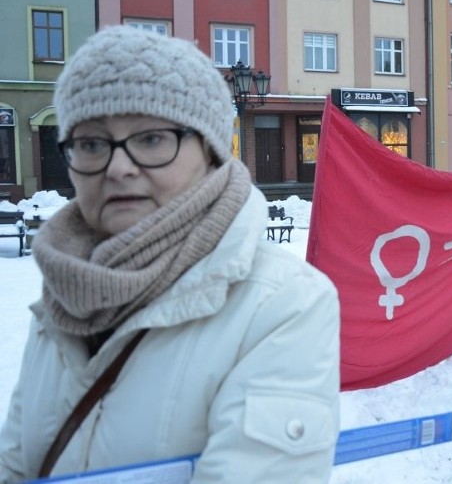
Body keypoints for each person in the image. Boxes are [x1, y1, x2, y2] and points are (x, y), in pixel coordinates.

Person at [0, 26, 341, 482]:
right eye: (92, 144)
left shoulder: (282, 305)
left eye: (151, 138)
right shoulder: (64, 293)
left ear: (211, 152)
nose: (118, 167)